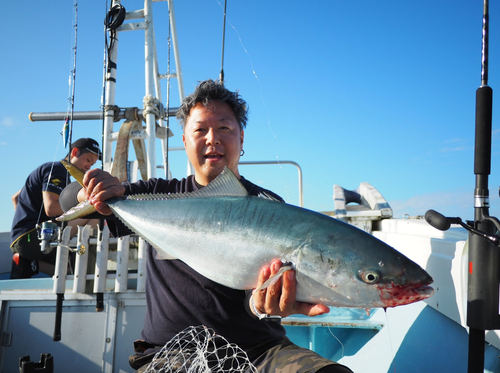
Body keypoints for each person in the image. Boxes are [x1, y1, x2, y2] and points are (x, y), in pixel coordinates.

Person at [62, 81, 353, 373]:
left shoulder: (267, 206)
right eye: (200, 130)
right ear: (186, 141)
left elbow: (254, 298)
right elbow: (66, 202)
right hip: (168, 353)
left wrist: (263, 305)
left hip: (260, 351)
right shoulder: (157, 195)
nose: (212, 139)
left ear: (241, 138)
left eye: (224, 128)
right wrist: (86, 192)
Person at [10, 138, 101, 279]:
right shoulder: (58, 170)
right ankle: (88, 265)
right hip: (34, 239)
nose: (89, 166)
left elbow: (15, 198)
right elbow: (51, 208)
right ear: (75, 152)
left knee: (70, 271)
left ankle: (30, 265)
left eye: (93, 163)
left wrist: (25, 225)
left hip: (21, 239)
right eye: (88, 160)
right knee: (94, 213)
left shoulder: (47, 170)